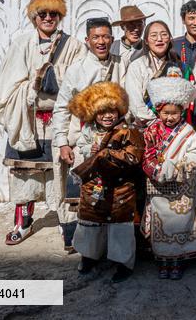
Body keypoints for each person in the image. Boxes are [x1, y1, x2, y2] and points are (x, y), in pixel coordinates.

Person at [0, 0, 84, 246]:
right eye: (42, 13)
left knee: (63, 172)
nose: (48, 18)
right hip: (28, 121)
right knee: (27, 174)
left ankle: (66, 222)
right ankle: (23, 221)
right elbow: (6, 88)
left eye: (53, 13)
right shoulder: (21, 44)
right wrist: (33, 85)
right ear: (34, 16)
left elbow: (79, 81)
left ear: (60, 15)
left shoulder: (74, 45)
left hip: (60, 120)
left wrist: (56, 77)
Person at [52, 17, 124, 249]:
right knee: (89, 196)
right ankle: (87, 247)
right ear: (88, 40)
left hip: (116, 141)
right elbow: (62, 107)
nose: (101, 41)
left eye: (105, 37)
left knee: (116, 196)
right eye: (96, 37)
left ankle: (111, 247)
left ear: (112, 39)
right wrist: (63, 142)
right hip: (86, 140)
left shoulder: (121, 64)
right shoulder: (77, 70)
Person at [69, 82, 143, 283]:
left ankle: (123, 263)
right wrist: (88, 150)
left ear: (119, 109)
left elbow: (133, 155)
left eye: (112, 110)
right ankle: (89, 256)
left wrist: (107, 155)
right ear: (94, 113)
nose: (108, 116)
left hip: (121, 187)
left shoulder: (128, 131)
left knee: (120, 226)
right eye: (102, 112)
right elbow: (82, 146)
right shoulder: (89, 131)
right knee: (91, 222)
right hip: (94, 185)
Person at [141, 76, 196, 279]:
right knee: (161, 227)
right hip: (158, 189)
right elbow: (146, 154)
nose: (169, 117)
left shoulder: (189, 133)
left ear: (181, 113)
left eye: (174, 113)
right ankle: (162, 261)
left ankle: (177, 261)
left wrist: (178, 167)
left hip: (182, 189)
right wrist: (158, 171)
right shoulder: (151, 130)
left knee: (181, 224)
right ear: (159, 111)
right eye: (165, 113)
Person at [124, 21, 183, 125]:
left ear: (169, 38)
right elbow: (135, 103)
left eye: (164, 34)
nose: (159, 39)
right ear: (146, 41)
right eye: (153, 35)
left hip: (175, 125)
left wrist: (173, 120)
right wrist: (156, 123)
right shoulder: (137, 66)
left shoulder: (179, 66)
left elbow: (186, 98)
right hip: (146, 126)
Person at [110, 5, 150, 76]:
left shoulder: (148, 48)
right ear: (123, 27)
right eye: (131, 25)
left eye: (140, 24)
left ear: (144, 25)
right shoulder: (111, 47)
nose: (136, 29)